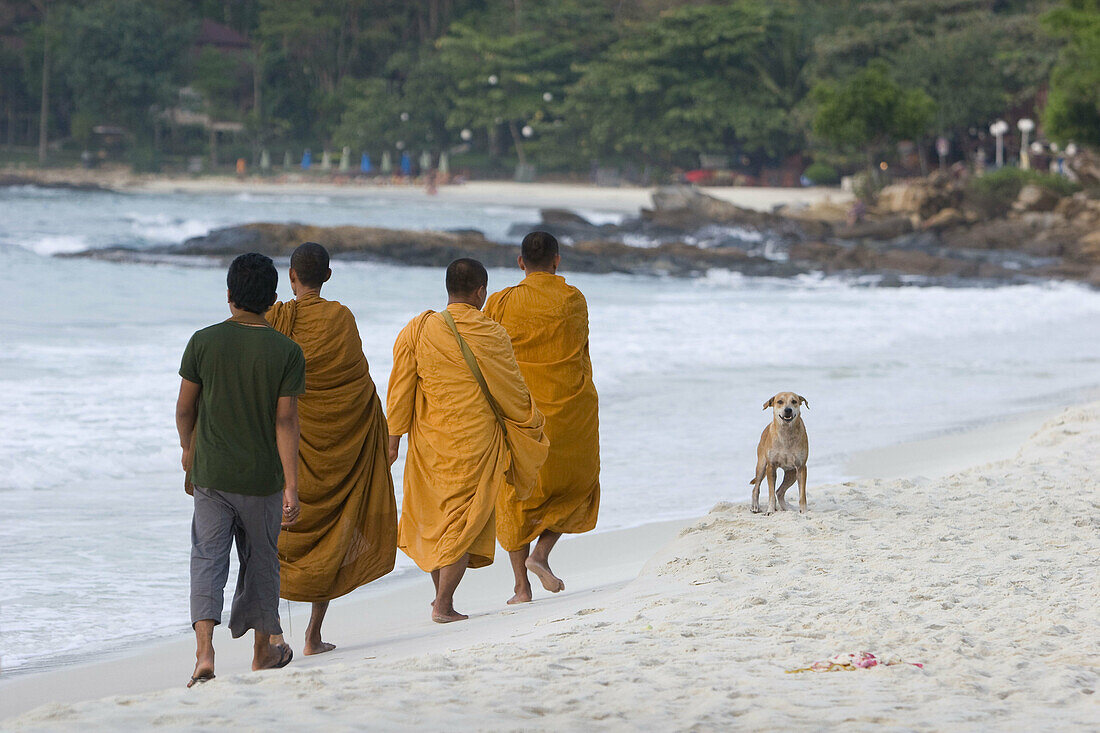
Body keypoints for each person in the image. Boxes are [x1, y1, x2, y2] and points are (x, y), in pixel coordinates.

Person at [387, 258, 549, 623]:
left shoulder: (419, 329)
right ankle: (443, 605)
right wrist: (533, 424)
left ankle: (439, 599)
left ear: (448, 289)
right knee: (462, 523)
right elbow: (512, 392)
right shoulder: (491, 333)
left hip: (429, 445)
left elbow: (399, 390)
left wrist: (393, 441)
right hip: (476, 444)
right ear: (480, 292)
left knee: (440, 522)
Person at [175, 253, 305, 687]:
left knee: (208, 558)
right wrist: (292, 485)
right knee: (262, 561)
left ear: (229, 295)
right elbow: (285, 421)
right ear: (272, 299)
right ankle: (262, 650)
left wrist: (188, 450)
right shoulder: (287, 351)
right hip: (262, 479)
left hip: (212, 475)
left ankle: (205, 651)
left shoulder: (203, 341)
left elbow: (184, 408)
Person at [266, 243, 398, 655]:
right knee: (335, 531)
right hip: (338, 447)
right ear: (328, 276)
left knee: (274, 536)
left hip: (289, 447)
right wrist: (380, 432)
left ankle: (272, 635)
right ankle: (312, 635)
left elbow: (264, 378)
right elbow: (360, 382)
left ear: (291, 277)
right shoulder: (342, 317)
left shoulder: (277, 318)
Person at [485, 232, 601, 604]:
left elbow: (487, 352)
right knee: (578, 485)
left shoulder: (500, 301)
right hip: (570, 408)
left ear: (521, 262)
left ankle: (521, 588)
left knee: (516, 494)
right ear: (557, 260)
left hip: (521, 412)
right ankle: (542, 554)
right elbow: (581, 349)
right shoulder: (573, 298)